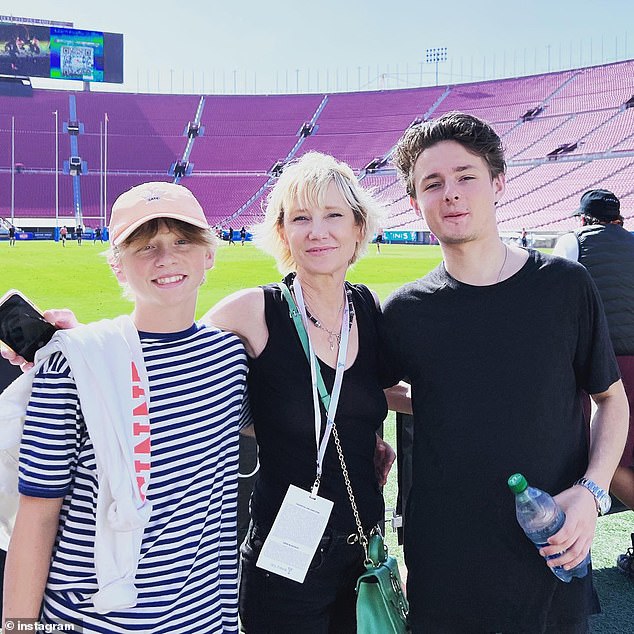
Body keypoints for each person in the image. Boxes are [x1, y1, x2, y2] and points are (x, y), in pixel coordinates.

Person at [384, 112, 629, 633]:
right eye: (433, 183)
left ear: (497, 183)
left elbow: (611, 399)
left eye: (465, 176)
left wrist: (593, 492)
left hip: (552, 549)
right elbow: (381, 390)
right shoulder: (406, 310)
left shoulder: (566, 285)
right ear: (415, 202)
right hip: (445, 560)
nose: (450, 193)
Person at [2, 182, 250, 632]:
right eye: (145, 246)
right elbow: (38, 512)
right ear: (117, 266)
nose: (166, 258)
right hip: (87, 619)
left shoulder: (230, 359)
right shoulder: (75, 362)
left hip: (204, 620)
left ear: (209, 254)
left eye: (182, 241)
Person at [204, 151, 403, 633]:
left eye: (334, 215)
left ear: (358, 227)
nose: (318, 231)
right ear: (282, 232)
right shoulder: (254, 310)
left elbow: (377, 391)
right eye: (301, 218)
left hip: (363, 544)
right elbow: (163, 351)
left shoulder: (366, 307)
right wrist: (65, 335)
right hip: (285, 554)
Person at [554, 188, 634, 579]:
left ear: (583, 219)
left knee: (602, 455)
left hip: (602, 367)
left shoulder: (572, 243)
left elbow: (553, 299)